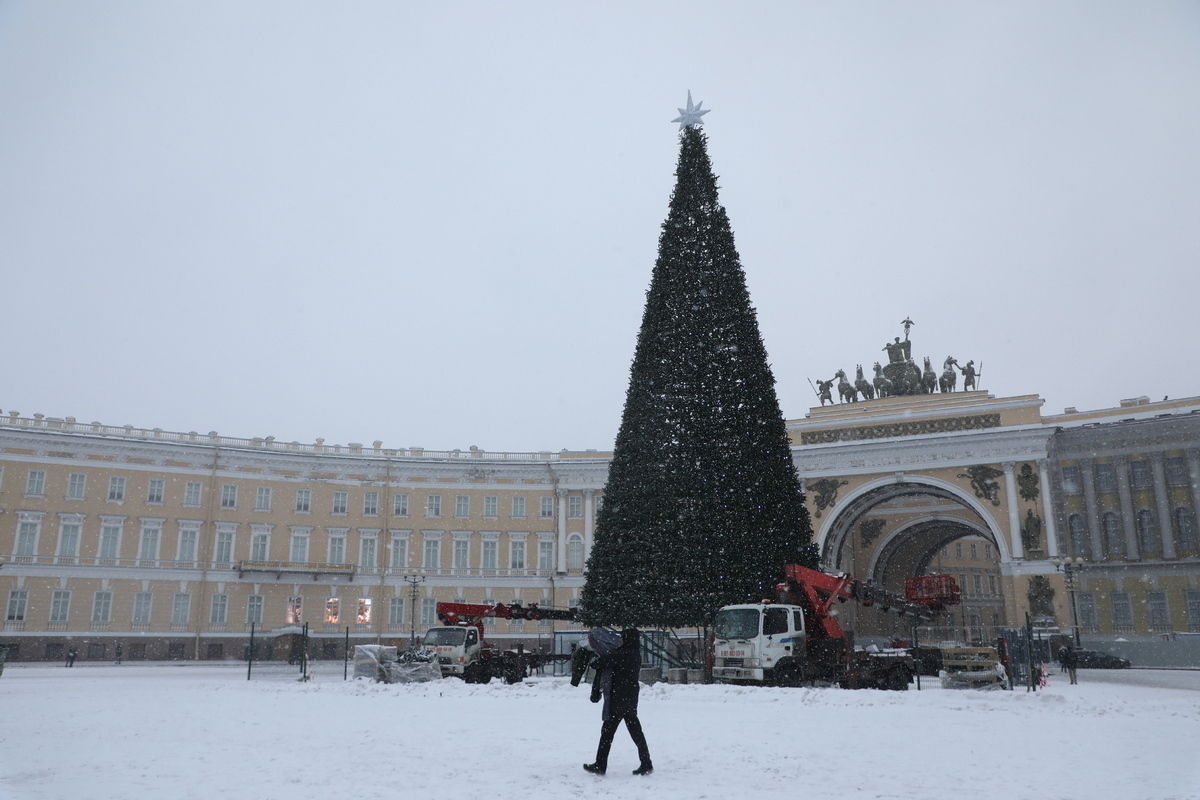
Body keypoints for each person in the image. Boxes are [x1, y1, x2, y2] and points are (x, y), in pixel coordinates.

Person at [584, 628, 653, 776]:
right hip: (631, 697)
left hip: (619, 698)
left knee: (607, 733)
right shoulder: (634, 654)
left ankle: (600, 765)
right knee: (636, 732)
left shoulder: (623, 654)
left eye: (623, 637)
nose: (621, 640)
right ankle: (646, 763)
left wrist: (595, 660)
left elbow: (600, 663)